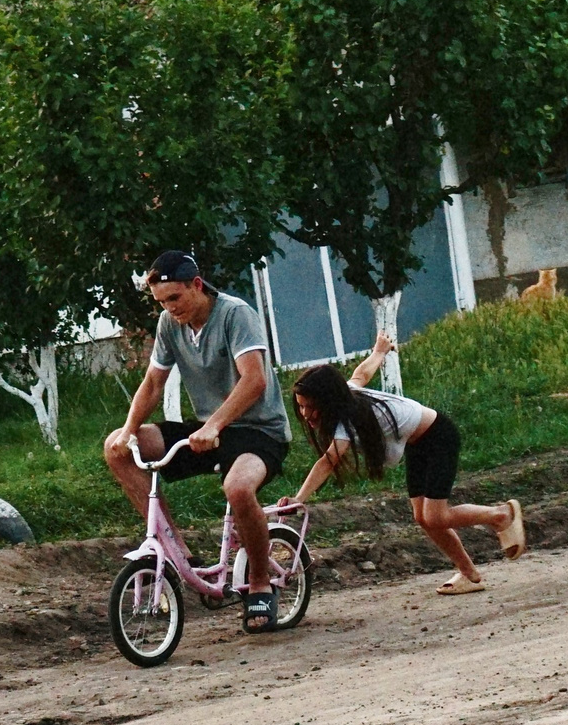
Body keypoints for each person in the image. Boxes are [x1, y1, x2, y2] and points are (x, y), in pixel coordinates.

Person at [102, 250, 293, 632]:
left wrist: (216, 426)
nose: (170, 308)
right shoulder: (169, 325)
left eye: (175, 298)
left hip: (260, 431)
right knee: (117, 448)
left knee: (238, 489)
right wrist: (128, 430)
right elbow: (153, 383)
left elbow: (253, 381)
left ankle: (259, 584)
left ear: (197, 285)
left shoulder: (236, 315)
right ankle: (178, 553)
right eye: (161, 302)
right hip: (207, 431)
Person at [284, 332, 526, 595]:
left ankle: (501, 515)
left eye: (310, 406)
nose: (305, 414)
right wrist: (379, 352)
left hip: (439, 436)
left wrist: (299, 498)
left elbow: (328, 462)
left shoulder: (347, 420)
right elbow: (361, 374)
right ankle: (468, 574)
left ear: (328, 400)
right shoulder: (348, 395)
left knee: (436, 515)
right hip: (418, 443)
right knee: (423, 518)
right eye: (301, 407)